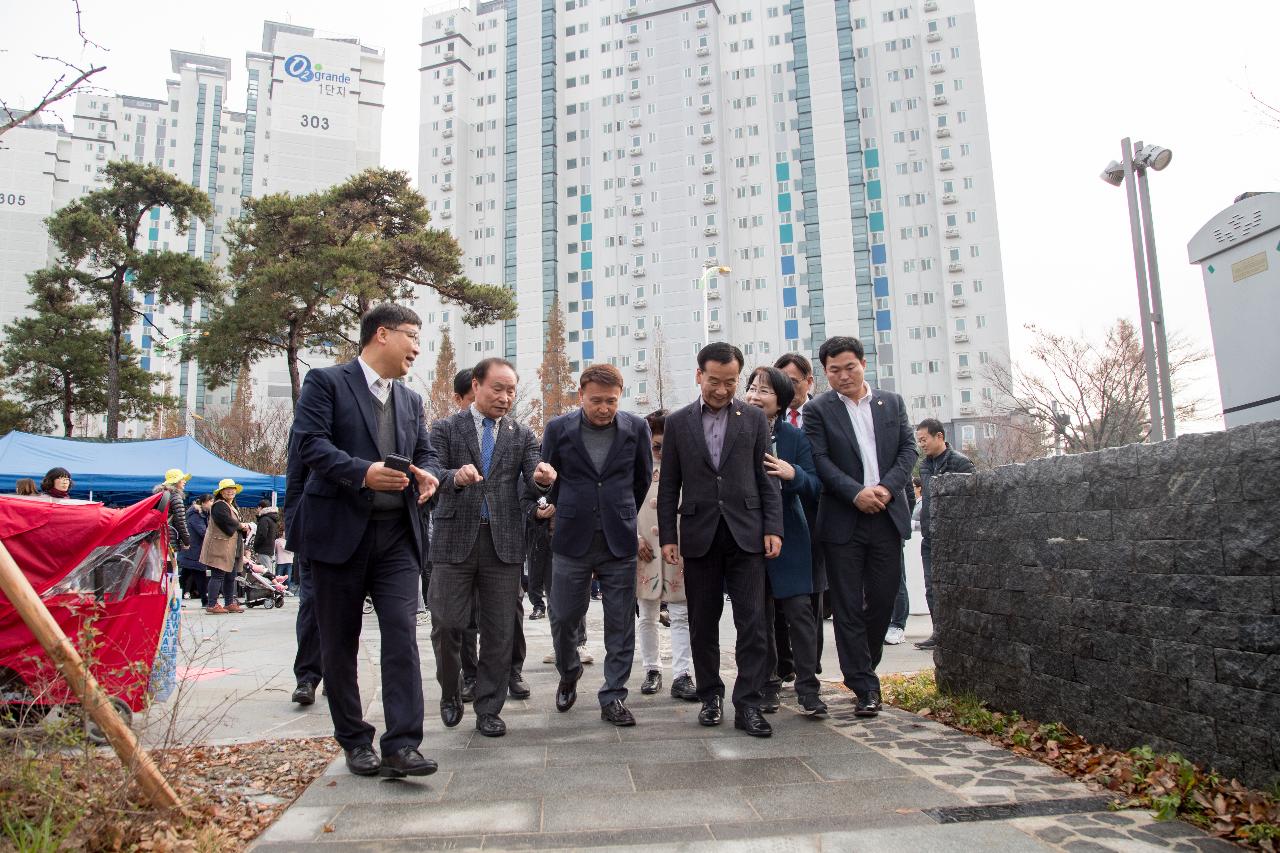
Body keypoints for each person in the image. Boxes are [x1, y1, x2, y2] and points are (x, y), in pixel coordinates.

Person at [289, 303, 440, 779]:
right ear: (381, 335)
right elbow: (309, 444)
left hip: (397, 536)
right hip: (339, 534)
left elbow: (426, 452)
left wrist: (430, 475)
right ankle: (355, 738)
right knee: (340, 641)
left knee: (402, 634)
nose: (417, 346)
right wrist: (363, 474)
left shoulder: (412, 400)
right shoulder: (327, 383)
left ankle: (403, 743)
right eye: (412, 335)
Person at [657, 342, 783, 738]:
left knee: (753, 623)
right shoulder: (678, 423)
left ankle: (748, 703)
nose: (722, 389)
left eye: (730, 382)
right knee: (702, 622)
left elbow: (767, 478)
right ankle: (710, 695)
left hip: (747, 534)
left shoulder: (754, 419)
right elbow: (669, 486)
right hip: (698, 534)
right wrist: (667, 536)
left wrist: (773, 527)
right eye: (714, 381)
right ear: (699, 376)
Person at [426, 357, 554, 739]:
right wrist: (454, 476)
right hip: (454, 541)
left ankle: (489, 708)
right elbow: (432, 471)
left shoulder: (521, 433)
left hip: (504, 543)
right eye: (497, 388)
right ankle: (451, 692)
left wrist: (542, 478)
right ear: (476, 386)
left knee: (500, 631)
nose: (505, 397)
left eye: (511, 390)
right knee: (447, 622)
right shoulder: (446, 428)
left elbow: (533, 479)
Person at [803, 335, 916, 718]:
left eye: (849, 367)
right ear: (825, 373)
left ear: (863, 364)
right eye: (833, 370)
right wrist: (856, 493)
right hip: (843, 520)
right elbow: (819, 459)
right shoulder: (818, 410)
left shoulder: (891, 402)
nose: (842, 375)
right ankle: (865, 684)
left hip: (886, 515)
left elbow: (908, 450)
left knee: (883, 602)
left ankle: (863, 666)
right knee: (848, 605)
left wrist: (885, 488)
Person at [539, 364, 652, 726]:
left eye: (611, 401)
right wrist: (571, 505)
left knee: (621, 622)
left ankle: (614, 695)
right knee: (563, 616)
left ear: (620, 396)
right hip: (572, 536)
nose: (604, 408)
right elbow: (550, 477)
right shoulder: (558, 428)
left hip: (619, 538)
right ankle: (569, 671)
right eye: (596, 401)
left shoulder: (637, 427)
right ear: (581, 395)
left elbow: (642, 478)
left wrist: (621, 512)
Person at [745, 366, 827, 718]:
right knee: (758, 616)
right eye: (751, 388)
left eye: (764, 390)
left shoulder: (795, 437)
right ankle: (766, 683)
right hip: (748, 533)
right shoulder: (737, 429)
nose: (754, 395)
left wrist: (793, 474)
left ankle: (808, 688)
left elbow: (815, 484)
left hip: (791, 535)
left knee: (799, 613)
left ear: (780, 401)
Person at [635, 410, 696, 702]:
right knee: (647, 614)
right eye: (655, 444)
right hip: (644, 550)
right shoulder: (634, 467)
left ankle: (683, 673)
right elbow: (622, 507)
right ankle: (651, 668)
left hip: (679, 550)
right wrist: (633, 539)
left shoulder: (687, 467)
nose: (659, 450)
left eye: (664, 444)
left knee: (681, 613)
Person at [774, 352, 827, 674]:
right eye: (780, 382)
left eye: (792, 382)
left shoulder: (823, 414)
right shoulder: (770, 424)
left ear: (810, 382)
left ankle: (811, 665)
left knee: (812, 596)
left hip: (817, 515)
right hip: (781, 521)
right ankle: (784, 665)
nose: (786, 389)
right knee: (778, 599)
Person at [914, 418, 975, 651]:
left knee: (957, 588)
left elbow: (970, 497)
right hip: (930, 536)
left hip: (954, 538)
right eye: (919, 441)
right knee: (931, 588)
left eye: (925, 439)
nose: (922, 445)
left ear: (939, 436)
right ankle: (938, 631)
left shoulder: (960, 463)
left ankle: (960, 632)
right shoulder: (925, 466)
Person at [283, 430, 322, 707]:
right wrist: (296, 526)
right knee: (310, 603)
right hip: (314, 529)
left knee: (347, 606)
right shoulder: (307, 421)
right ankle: (307, 677)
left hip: (355, 526)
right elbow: (294, 480)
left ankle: (339, 673)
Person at [200, 479, 250, 614]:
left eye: (233, 489)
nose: (231, 491)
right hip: (220, 546)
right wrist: (241, 526)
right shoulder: (219, 505)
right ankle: (212, 604)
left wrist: (243, 528)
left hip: (232, 547)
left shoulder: (232, 505)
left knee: (231, 576)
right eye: (227, 489)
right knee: (218, 575)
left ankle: (229, 603)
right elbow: (227, 522)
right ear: (221, 492)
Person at [178, 494, 213, 604]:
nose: (212, 503)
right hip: (193, 550)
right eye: (210, 501)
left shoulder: (203, 514)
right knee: (197, 574)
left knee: (186, 575)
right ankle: (205, 600)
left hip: (193, 551)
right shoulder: (196, 515)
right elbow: (203, 532)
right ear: (203, 503)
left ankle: (174, 598)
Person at [154, 469, 192, 558]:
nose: (184, 481)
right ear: (176, 481)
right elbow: (181, 521)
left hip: (159, 538)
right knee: (170, 569)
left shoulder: (162, 494)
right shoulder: (176, 496)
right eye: (182, 479)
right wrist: (187, 541)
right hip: (169, 541)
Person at [253, 498, 279, 571]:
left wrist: (256, 546)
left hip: (263, 549)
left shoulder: (264, 519)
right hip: (269, 549)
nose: (257, 510)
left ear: (260, 507)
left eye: (257, 508)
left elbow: (262, 535)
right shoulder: (272, 519)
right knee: (268, 571)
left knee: (265, 573)